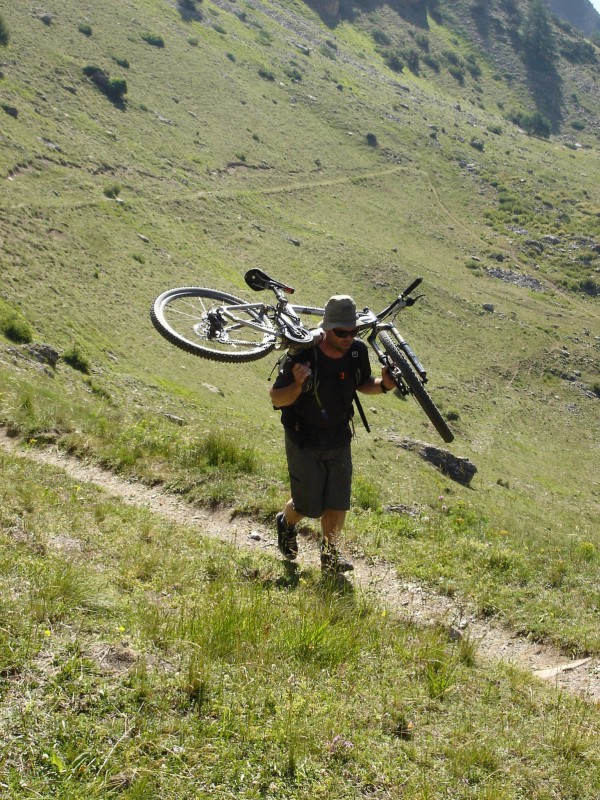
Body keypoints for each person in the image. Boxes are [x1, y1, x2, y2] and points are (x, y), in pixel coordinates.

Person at [269, 294, 396, 575]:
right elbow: (277, 399)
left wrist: (385, 385)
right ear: (326, 329)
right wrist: (298, 384)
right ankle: (285, 523)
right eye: (341, 332)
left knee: (338, 501)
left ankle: (330, 555)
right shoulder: (302, 355)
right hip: (304, 439)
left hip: (338, 436)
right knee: (307, 505)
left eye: (353, 331)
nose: (348, 337)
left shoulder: (356, 352)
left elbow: (363, 383)